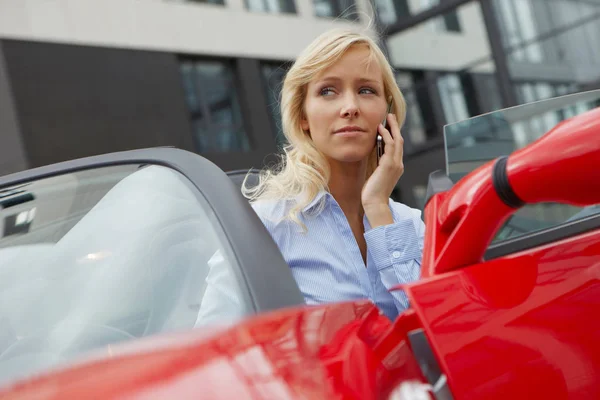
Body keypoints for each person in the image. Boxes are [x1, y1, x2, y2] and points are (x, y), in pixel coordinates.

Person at [243, 28, 425, 321]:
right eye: (328, 91)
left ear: (387, 114)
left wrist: (378, 207)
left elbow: (434, 330)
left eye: (366, 90)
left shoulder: (409, 225)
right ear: (302, 115)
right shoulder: (266, 225)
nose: (350, 107)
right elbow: (215, 347)